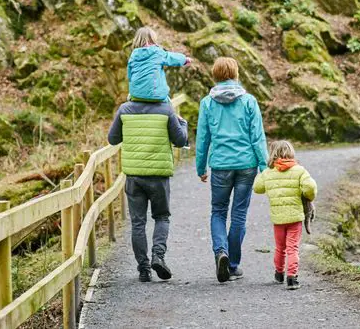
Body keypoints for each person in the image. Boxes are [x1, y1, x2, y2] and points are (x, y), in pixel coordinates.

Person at [195, 57, 268, 283]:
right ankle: (233, 265)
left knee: (218, 211)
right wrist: (264, 166)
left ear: (215, 76)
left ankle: (221, 252)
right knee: (239, 215)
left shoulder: (207, 103)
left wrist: (201, 166)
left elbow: (203, 138)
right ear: (236, 74)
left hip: (220, 165)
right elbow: (257, 137)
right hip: (247, 165)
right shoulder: (249, 101)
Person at [107, 93, 189, 282]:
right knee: (161, 217)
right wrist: (182, 124)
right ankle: (158, 256)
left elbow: (112, 139)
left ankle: (144, 269)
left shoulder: (124, 110)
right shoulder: (166, 109)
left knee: (138, 223)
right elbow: (179, 140)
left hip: (134, 176)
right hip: (158, 176)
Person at [253, 140, 318, 290]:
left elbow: (257, 187)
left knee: (280, 247)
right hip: (295, 218)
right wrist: (307, 196)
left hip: (278, 219)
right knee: (293, 248)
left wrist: (265, 174)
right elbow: (310, 187)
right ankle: (292, 278)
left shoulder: (268, 172)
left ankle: (279, 273)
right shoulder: (299, 170)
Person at [126, 26, 191, 103]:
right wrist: (185, 59)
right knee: (169, 103)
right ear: (153, 40)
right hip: (156, 95)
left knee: (129, 97)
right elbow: (171, 58)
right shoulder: (157, 52)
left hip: (136, 95)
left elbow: (129, 76)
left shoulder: (133, 56)